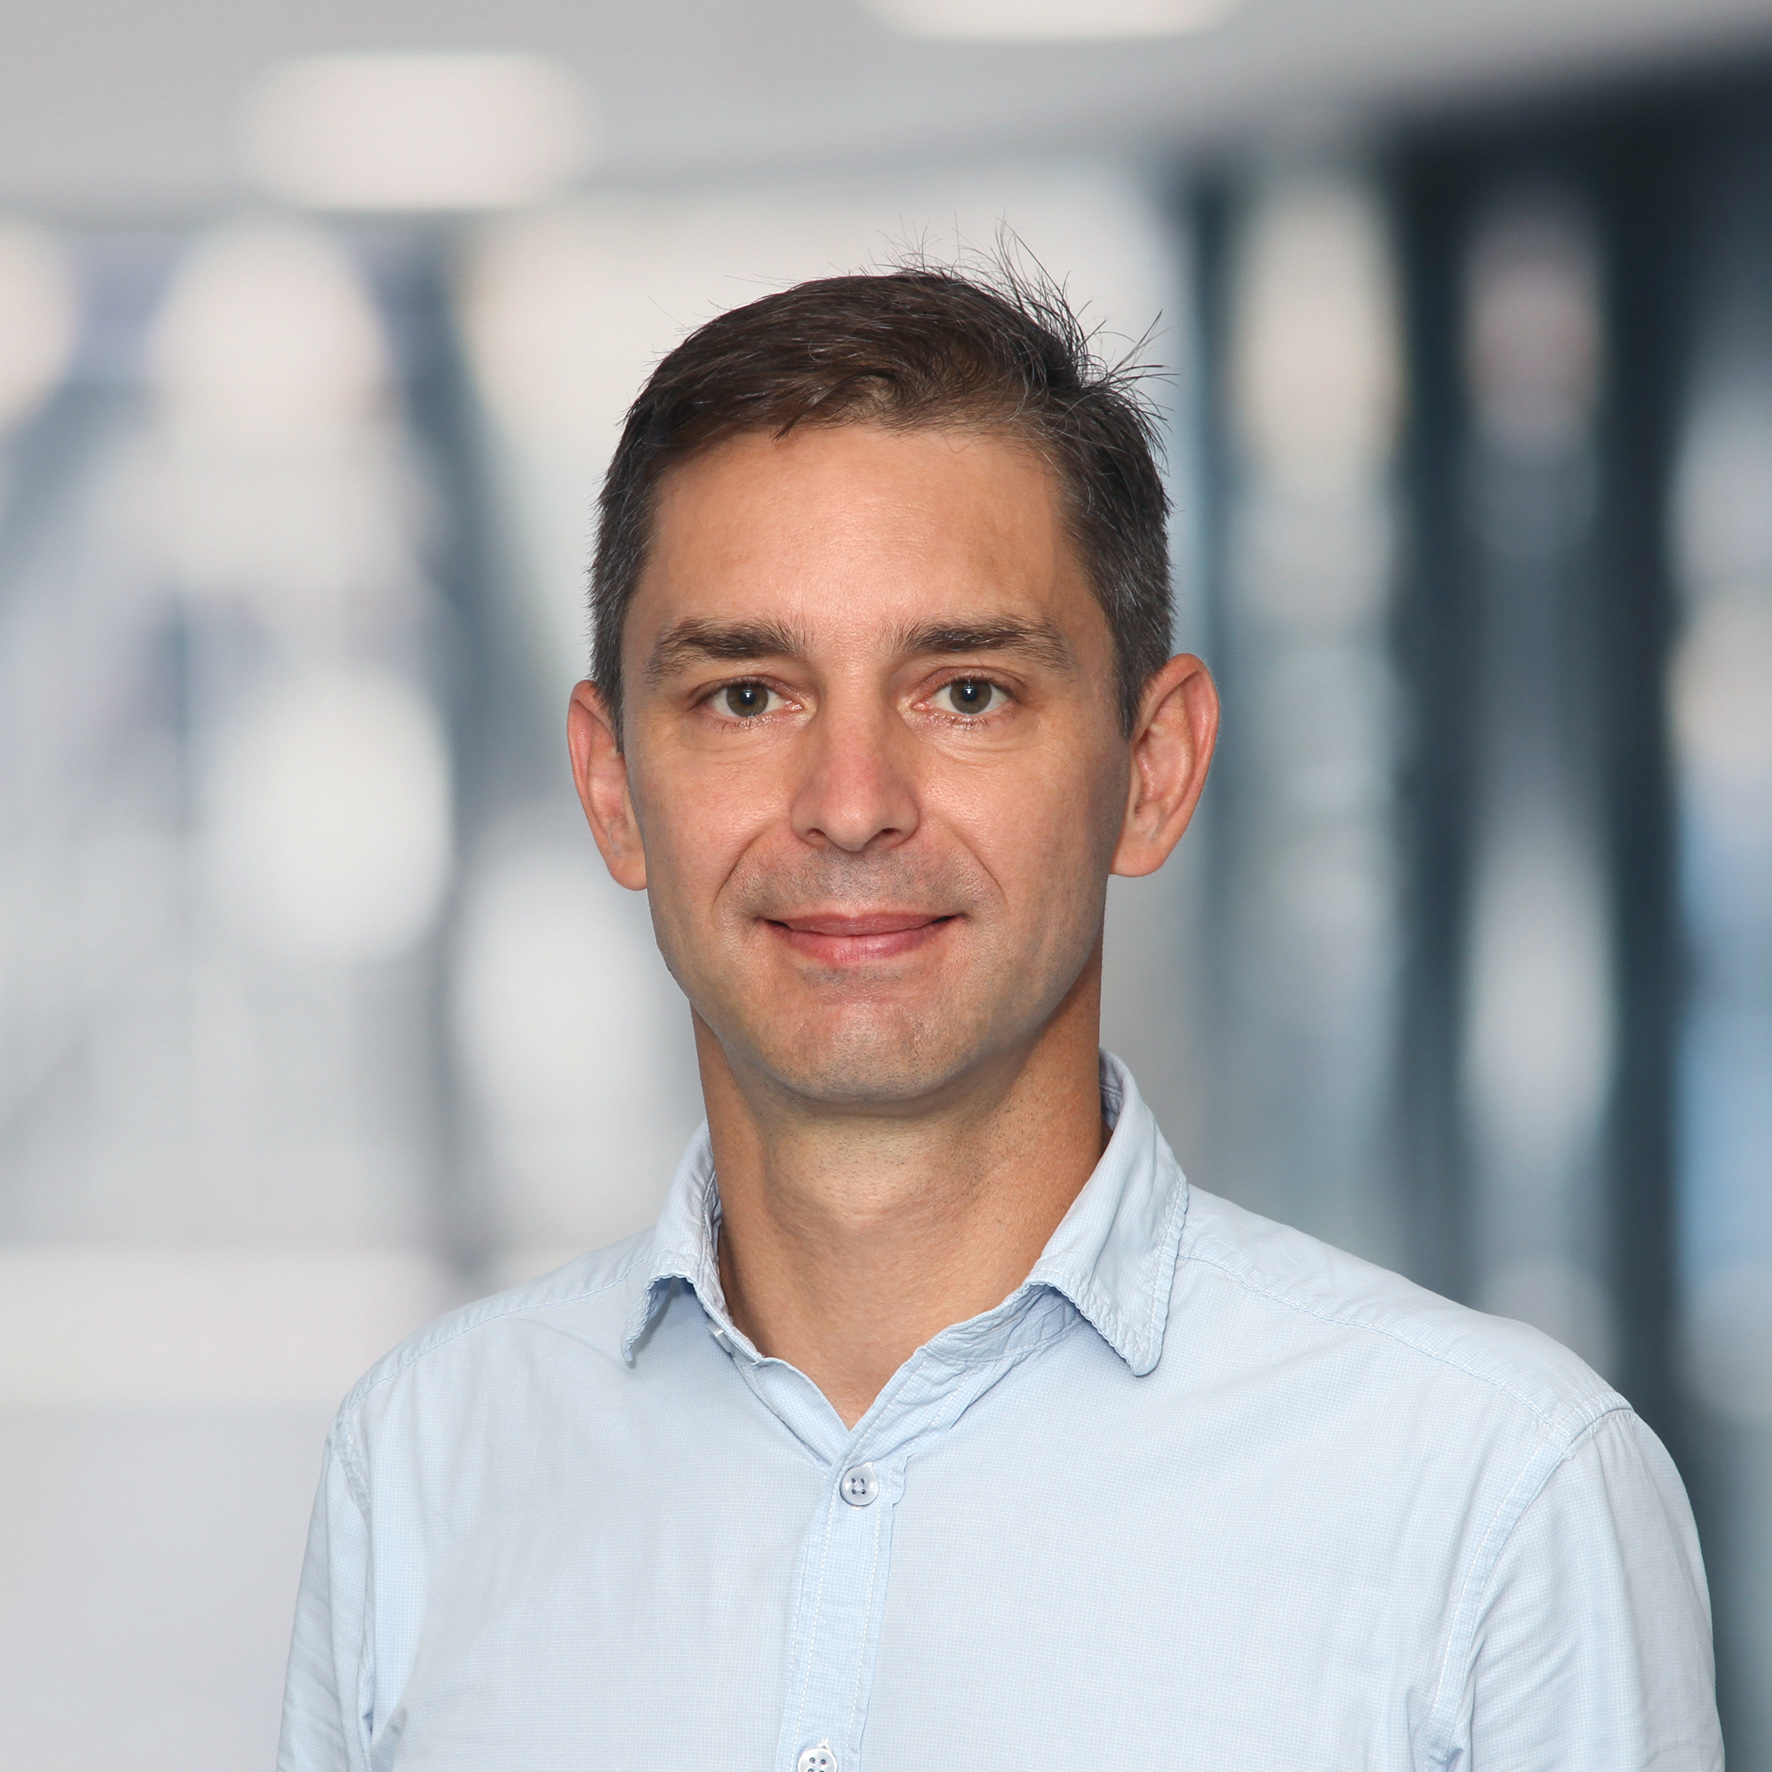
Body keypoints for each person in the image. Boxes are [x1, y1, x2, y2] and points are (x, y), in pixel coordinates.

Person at [278, 266, 1720, 1772]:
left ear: (1151, 769)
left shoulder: (1493, 1494)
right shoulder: (425, 1461)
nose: (850, 806)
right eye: (746, 696)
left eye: (964, 691)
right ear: (609, 785)